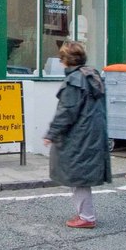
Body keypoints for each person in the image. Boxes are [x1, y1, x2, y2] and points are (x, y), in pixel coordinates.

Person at [43, 41, 111, 229]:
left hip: (79, 135)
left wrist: (51, 133)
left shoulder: (74, 81)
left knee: (78, 175)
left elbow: (66, 112)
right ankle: (85, 214)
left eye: (61, 57)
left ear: (65, 60)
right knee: (80, 174)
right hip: (92, 132)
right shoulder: (91, 75)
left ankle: (86, 217)